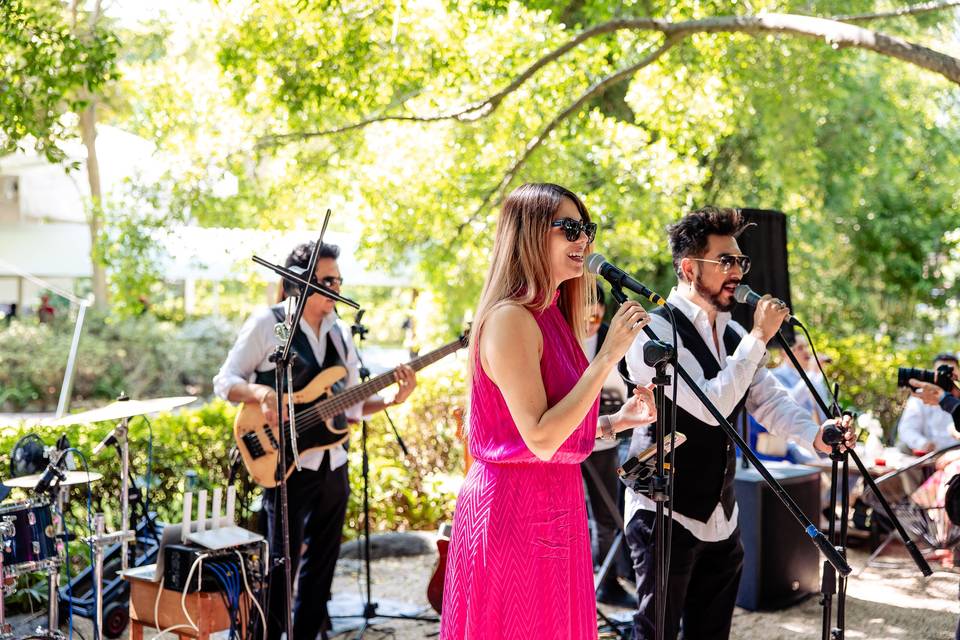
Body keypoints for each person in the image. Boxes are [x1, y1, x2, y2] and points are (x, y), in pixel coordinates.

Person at [623, 206, 855, 640]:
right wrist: (760, 337)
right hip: (665, 514)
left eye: (740, 261)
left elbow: (765, 399)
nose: (738, 272)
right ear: (689, 268)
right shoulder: (653, 333)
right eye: (725, 261)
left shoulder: (732, 335)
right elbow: (712, 403)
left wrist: (816, 435)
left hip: (721, 516)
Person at [439, 183, 657, 639]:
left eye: (587, 229)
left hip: (556, 507)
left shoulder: (552, 314)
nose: (584, 241)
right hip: (512, 513)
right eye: (570, 228)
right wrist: (605, 358)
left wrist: (619, 422)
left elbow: (554, 430)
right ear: (530, 232)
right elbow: (537, 437)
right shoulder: (510, 318)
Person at [213, 241, 418, 640]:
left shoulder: (342, 334)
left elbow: (352, 406)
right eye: (327, 280)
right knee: (280, 566)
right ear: (299, 282)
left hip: (333, 464)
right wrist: (262, 395)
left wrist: (392, 398)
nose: (336, 288)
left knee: (321, 568)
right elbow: (225, 382)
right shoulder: (268, 324)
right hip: (284, 461)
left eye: (339, 280)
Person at [581, 283, 637, 608]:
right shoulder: (565, 338)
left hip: (605, 441)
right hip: (567, 442)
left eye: (597, 315)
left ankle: (608, 580)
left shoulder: (611, 340)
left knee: (607, 514)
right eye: (586, 314)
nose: (592, 321)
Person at [897, 353, 960, 454]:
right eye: (941, 372)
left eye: (949, 373)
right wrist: (923, 443)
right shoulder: (922, 397)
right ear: (933, 374)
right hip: (932, 453)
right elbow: (906, 429)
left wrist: (946, 400)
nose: (945, 377)